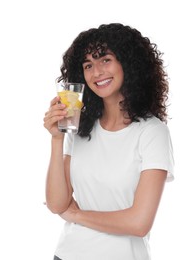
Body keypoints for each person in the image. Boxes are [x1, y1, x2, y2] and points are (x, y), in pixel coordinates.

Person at [43, 23, 174, 260]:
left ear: (128, 63)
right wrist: (56, 139)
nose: (96, 72)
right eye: (88, 65)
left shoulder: (152, 132)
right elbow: (57, 203)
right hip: (68, 254)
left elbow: (139, 222)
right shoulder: (80, 128)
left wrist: (76, 214)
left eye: (105, 60)